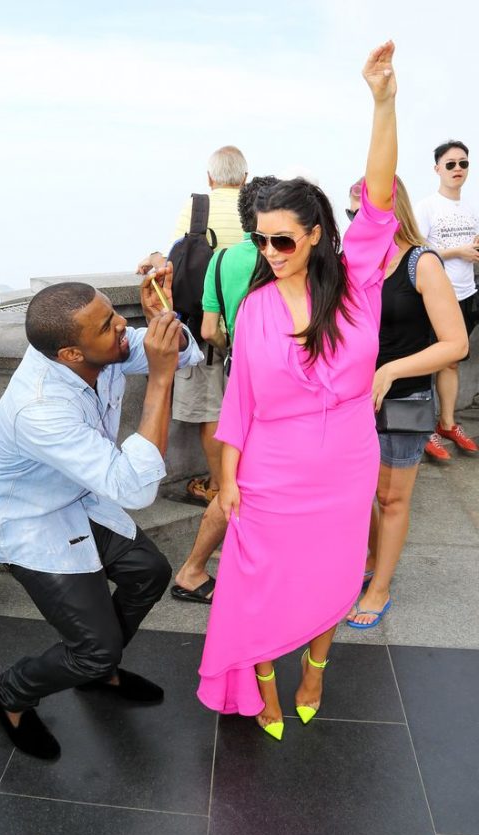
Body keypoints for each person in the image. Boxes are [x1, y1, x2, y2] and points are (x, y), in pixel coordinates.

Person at [197, 41, 399, 741]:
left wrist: (383, 102)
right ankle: (262, 683)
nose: (270, 253)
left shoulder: (358, 288)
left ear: (315, 236)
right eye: (261, 241)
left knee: (333, 575)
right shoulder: (254, 307)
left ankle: (314, 669)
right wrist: (228, 481)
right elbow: (239, 406)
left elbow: (380, 197)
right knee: (258, 581)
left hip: (346, 463)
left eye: (282, 241)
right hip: (270, 470)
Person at [0, 271, 202, 760]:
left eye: (113, 314)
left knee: (148, 572)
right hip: (26, 518)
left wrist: (163, 320)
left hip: (76, 492)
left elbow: (183, 352)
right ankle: (11, 693)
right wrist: (159, 379)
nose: (122, 327)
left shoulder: (98, 347)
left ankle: (97, 669)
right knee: (95, 646)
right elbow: (134, 488)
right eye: (108, 325)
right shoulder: (39, 407)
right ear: (72, 353)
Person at [346, 176, 468, 628]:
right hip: (356, 402)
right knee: (359, 494)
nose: (356, 221)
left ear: (390, 211)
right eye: (351, 213)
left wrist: (391, 370)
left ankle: (379, 588)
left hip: (403, 400)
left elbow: (456, 344)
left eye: (363, 211)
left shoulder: (422, 263)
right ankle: (372, 559)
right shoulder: (357, 265)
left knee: (391, 499)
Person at [171, 176, 278, 604]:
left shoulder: (221, 260)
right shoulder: (282, 261)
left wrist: (230, 343)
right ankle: (196, 569)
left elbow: (209, 329)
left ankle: (199, 567)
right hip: (272, 385)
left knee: (240, 475)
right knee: (252, 478)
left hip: (238, 373)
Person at [137, 146, 248, 505]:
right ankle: (245, 484)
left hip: (204, 331)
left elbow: (173, 263)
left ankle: (217, 486)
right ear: (245, 179)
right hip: (249, 332)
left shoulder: (198, 207)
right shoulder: (256, 211)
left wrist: (153, 257)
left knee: (212, 413)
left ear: (210, 178)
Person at [415, 140, 479, 461]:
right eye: (450, 164)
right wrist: (457, 251)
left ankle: (448, 423)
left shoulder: (471, 208)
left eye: (463, 163)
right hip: (437, 297)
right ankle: (424, 429)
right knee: (427, 361)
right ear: (437, 169)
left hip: (467, 293)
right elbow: (416, 251)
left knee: (452, 360)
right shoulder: (427, 207)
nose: (457, 169)